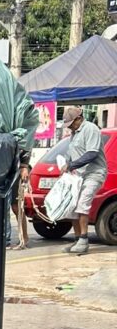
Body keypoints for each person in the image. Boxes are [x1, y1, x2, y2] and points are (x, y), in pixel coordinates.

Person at [59, 106, 108, 255]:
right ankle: (77, 239)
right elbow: (71, 154)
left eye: (72, 124)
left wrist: (72, 165)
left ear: (79, 119)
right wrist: (66, 165)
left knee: (82, 204)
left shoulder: (90, 129)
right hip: (79, 175)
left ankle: (84, 240)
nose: (70, 128)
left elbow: (91, 153)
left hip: (94, 173)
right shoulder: (74, 134)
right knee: (72, 206)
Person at [8, 149, 31, 250]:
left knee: (16, 207)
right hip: (2, 169)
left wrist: (24, 166)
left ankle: (24, 238)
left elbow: (26, 145)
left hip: (16, 170)